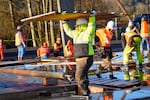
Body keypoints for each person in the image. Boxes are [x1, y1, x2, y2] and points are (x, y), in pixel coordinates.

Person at [62, 11, 96, 96]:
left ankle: (85, 91)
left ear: (77, 26)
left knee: (78, 76)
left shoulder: (82, 33)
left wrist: (64, 22)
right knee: (83, 75)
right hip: (85, 58)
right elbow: (68, 31)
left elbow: (91, 26)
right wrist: (64, 22)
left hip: (84, 58)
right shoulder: (79, 33)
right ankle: (86, 91)